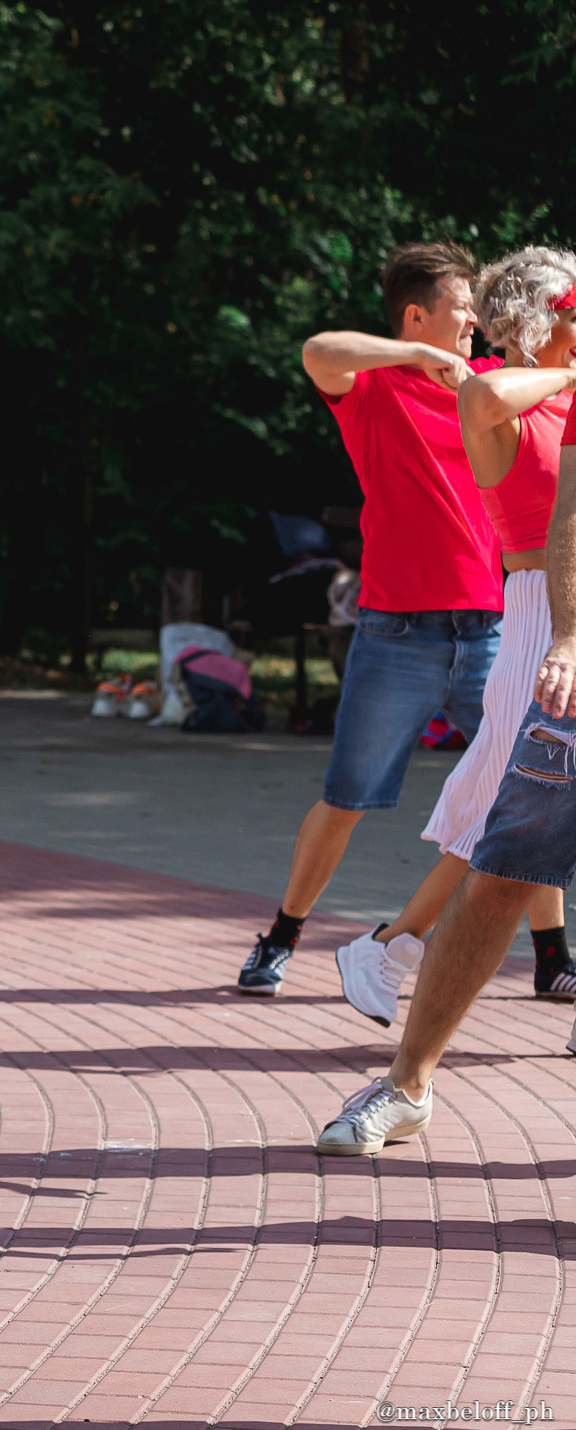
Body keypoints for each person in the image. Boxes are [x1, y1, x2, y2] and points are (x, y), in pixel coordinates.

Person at [317, 245, 576, 1154]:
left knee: (496, 840)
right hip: (538, 617)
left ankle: (389, 950)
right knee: (498, 858)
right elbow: (478, 400)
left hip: (534, 627)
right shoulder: (508, 389)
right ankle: (405, 1061)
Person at [243, 243, 499, 996]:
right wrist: (416, 357)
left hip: (490, 628)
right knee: (347, 796)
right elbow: (318, 350)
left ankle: (553, 958)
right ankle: (283, 935)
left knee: (525, 788)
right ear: (419, 315)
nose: (475, 323)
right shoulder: (377, 388)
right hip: (397, 633)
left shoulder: (486, 385)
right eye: (462, 308)